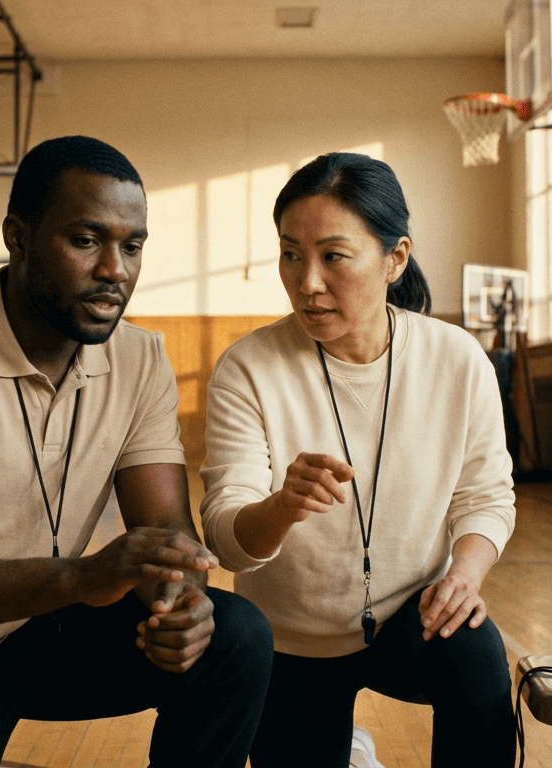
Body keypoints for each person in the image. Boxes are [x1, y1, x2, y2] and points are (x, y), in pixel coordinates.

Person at [0, 135, 272, 768]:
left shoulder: (140, 359)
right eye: (86, 240)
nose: (115, 269)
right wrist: (81, 579)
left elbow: (168, 528)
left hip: (48, 624)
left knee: (235, 636)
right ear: (19, 237)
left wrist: (184, 602)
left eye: (132, 246)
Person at [199, 152, 517, 767]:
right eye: (291, 254)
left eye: (333, 256)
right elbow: (225, 537)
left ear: (395, 259)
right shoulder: (247, 368)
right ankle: (349, 750)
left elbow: (486, 497)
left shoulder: (456, 359)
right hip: (290, 640)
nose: (307, 282)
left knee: (474, 649)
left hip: (408, 616)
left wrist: (463, 576)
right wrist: (281, 507)